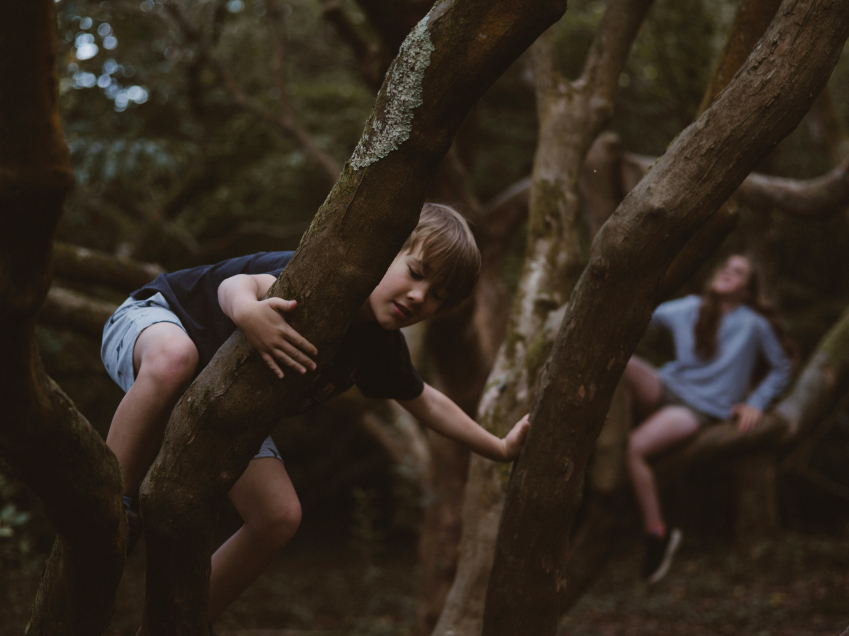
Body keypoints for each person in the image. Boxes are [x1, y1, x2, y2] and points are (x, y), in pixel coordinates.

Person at [100, 203, 530, 624]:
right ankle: (110, 503)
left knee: (279, 516)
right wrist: (249, 313)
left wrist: (499, 447)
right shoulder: (322, 276)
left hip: (222, 405)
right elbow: (236, 285)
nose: (419, 296)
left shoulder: (378, 346)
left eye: (438, 296)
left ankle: (185, 621)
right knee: (176, 358)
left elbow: (426, 400)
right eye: (416, 273)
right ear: (383, 251)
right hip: (153, 321)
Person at [624, 254, 792, 584]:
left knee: (633, 449)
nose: (728, 272)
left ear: (747, 289)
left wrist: (755, 402)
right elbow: (638, 313)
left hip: (699, 408)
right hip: (667, 386)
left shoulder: (753, 324)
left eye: (738, 271)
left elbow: (782, 365)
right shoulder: (689, 307)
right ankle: (609, 439)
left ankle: (657, 533)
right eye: (725, 267)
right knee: (623, 363)